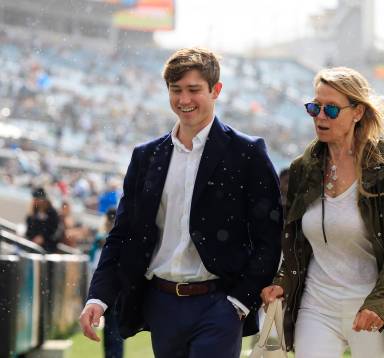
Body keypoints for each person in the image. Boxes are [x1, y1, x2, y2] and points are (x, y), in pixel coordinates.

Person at [79, 48, 283, 358]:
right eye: (176, 90)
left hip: (220, 304)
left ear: (216, 90)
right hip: (161, 303)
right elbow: (123, 235)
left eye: (193, 90)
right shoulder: (146, 156)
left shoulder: (247, 153)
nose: (184, 99)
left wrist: (240, 302)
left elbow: (269, 236)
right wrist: (98, 298)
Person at [260, 67, 384, 358]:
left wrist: (380, 303)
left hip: (370, 306)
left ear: (357, 112)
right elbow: (294, 241)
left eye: (331, 109)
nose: (320, 116)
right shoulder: (302, 168)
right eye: (314, 107)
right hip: (316, 305)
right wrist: (282, 282)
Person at [88, 208, 124, 358]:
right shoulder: (102, 239)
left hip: (115, 288)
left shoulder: (116, 238)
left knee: (114, 329)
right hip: (107, 288)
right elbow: (94, 262)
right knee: (110, 328)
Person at [25, 187, 59, 252]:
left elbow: (53, 228)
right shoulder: (34, 212)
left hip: (47, 246)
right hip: (32, 243)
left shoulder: (51, 212)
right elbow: (30, 227)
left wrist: (43, 237)